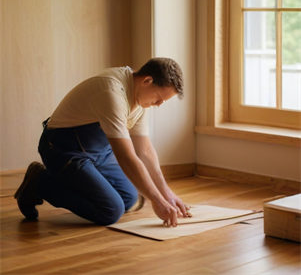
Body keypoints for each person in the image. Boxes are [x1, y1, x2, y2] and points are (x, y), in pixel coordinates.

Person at [14, 57, 191, 227]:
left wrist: (166, 194)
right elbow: (126, 156)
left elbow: (145, 151)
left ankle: (74, 182)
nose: (159, 104)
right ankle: (40, 182)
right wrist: (157, 200)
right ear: (147, 81)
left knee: (129, 198)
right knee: (110, 211)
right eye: (159, 98)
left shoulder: (140, 100)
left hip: (99, 151)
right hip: (63, 149)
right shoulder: (112, 91)